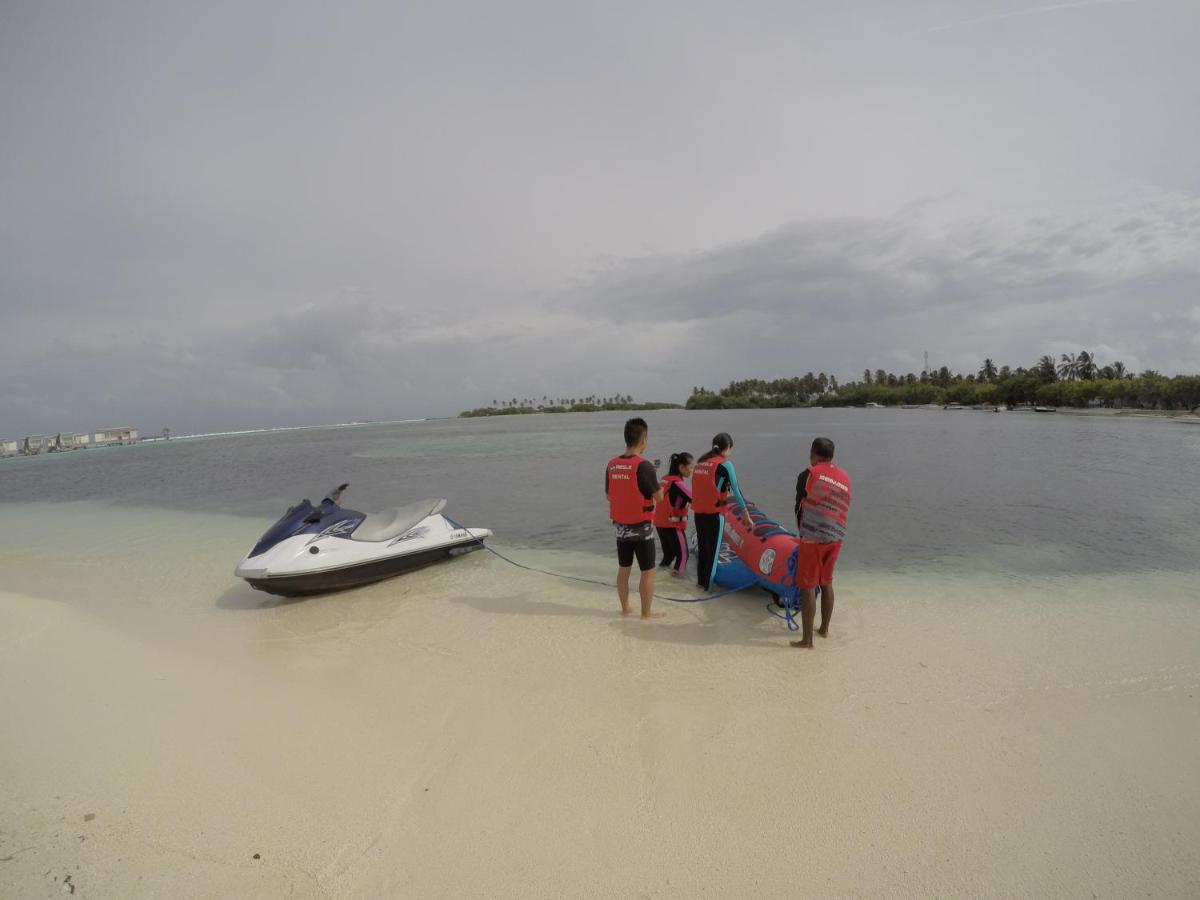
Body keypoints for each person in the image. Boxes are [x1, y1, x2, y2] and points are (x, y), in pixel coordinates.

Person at [790, 437, 852, 649]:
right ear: (832, 455)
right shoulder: (844, 476)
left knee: (807, 585)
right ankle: (824, 629)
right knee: (826, 581)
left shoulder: (808, 474)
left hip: (813, 538)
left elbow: (799, 506)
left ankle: (807, 641)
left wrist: (802, 534)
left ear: (813, 453)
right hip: (837, 535)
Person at [604, 417, 665, 618]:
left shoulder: (612, 465)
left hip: (621, 528)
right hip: (642, 528)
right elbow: (659, 498)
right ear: (643, 439)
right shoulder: (645, 466)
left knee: (624, 568)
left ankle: (625, 609)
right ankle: (646, 614)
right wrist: (661, 485)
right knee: (648, 571)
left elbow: (608, 495)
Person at [691, 432, 752, 591]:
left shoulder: (700, 463)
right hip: (715, 515)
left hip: (698, 514)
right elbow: (737, 491)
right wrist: (746, 513)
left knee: (703, 548)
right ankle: (708, 589)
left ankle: (700, 583)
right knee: (713, 551)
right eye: (731, 449)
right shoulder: (725, 464)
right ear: (727, 448)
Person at [654, 452, 694, 576]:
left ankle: (657, 577)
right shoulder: (678, 484)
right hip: (673, 526)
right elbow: (696, 500)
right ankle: (678, 584)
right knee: (683, 557)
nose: (692, 470)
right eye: (691, 467)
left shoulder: (665, 479)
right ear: (681, 467)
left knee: (669, 555)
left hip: (660, 524)